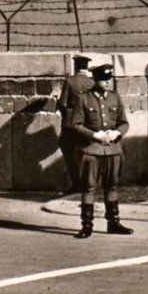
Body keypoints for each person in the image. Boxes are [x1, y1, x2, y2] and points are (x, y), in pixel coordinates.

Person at [70, 64, 133, 239]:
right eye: (103, 79)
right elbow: (75, 124)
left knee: (112, 186)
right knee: (89, 187)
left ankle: (113, 222)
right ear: (95, 79)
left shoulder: (115, 98)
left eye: (109, 79)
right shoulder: (83, 99)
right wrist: (94, 135)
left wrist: (117, 132)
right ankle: (87, 225)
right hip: (91, 150)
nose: (106, 82)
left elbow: (124, 122)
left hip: (113, 149)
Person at [57, 54, 94, 193]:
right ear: (87, 67)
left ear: (76, 66)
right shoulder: (92, 82)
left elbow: (62, 103)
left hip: (70, 123)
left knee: (67, 150)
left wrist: (67, 117)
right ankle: (87, 183)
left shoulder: (70, 81)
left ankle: (76, 182)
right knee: (85, 152)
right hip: (86, 124)